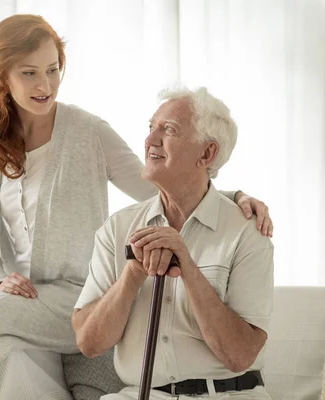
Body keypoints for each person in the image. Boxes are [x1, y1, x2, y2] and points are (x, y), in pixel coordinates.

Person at [0, 14, 273, 400]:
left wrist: (233, 196)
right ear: (2, 76)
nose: (45, 85)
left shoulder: (87, 132)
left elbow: (160, 182)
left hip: (76, 298)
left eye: (53, 70)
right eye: (30, 73)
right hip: (20, 301)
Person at [72, 87, 274, 400]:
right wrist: (131, 276)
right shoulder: (118, 229)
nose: (150, 140)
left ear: (207, 154)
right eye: (151, 127)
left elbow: (240, 356)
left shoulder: (247, 231)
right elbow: (89, 342)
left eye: (169, 130)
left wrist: (189, 268)